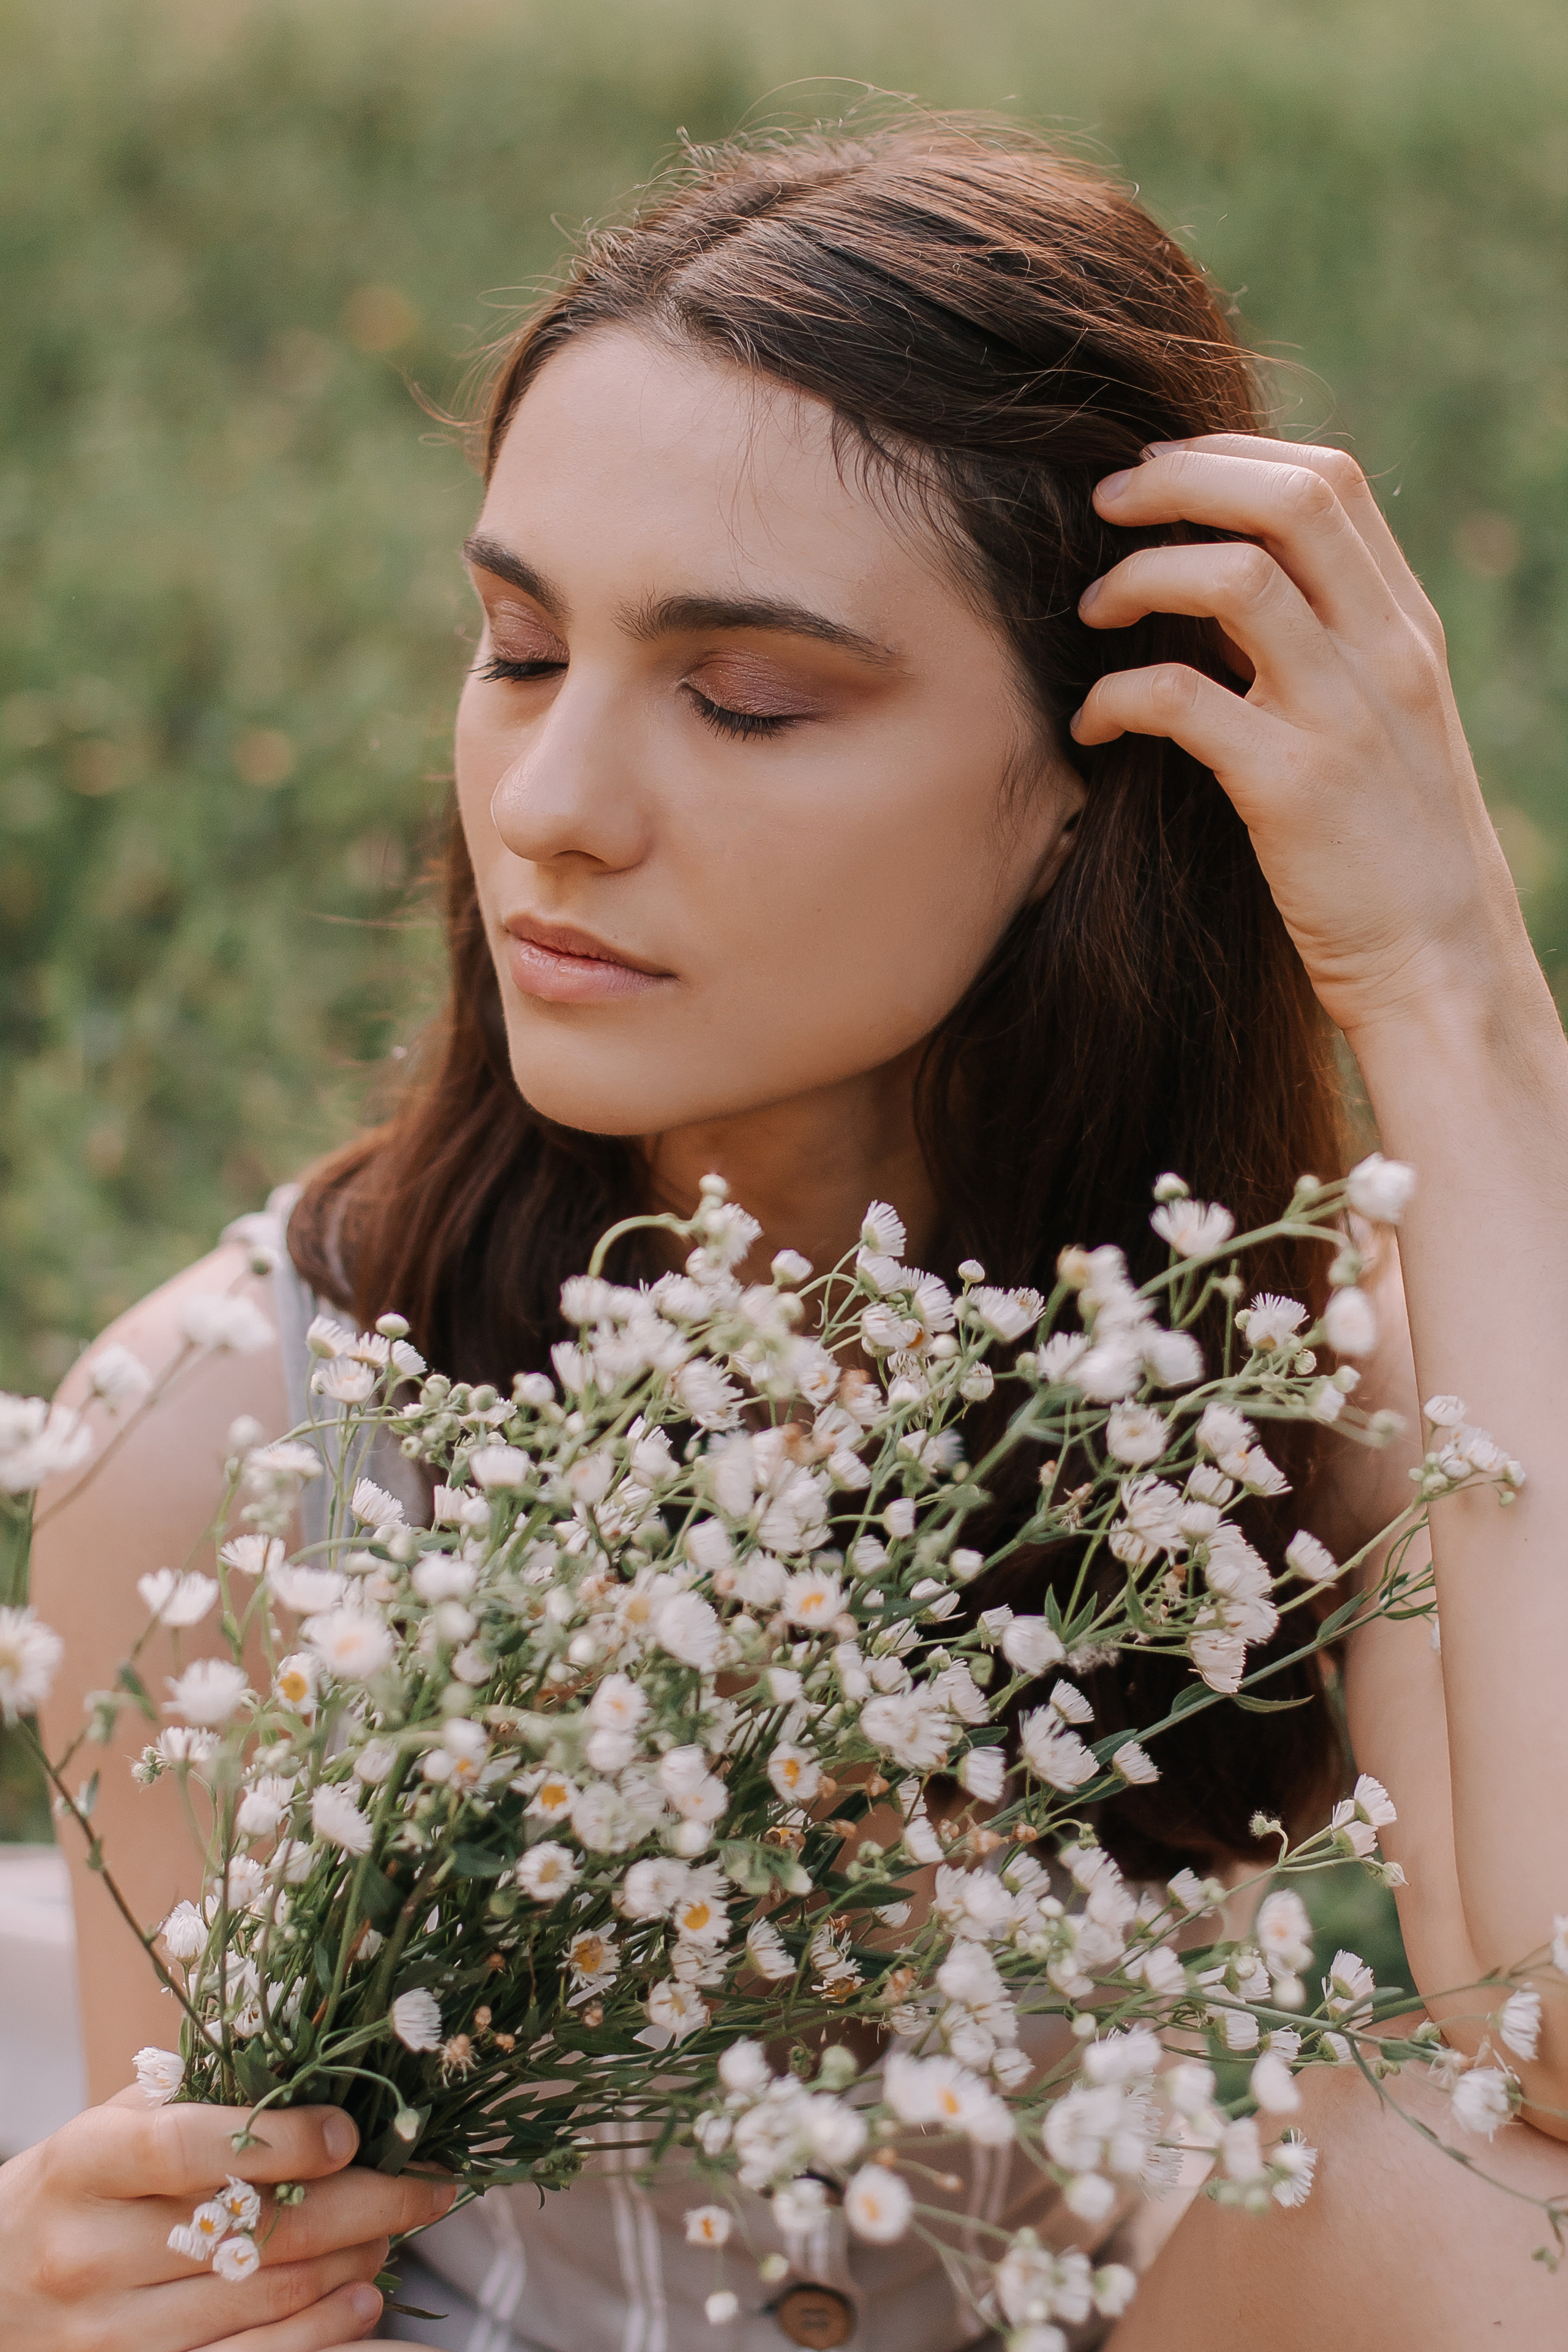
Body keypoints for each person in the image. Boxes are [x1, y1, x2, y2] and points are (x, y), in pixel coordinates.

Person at [12, 115, 1568, 2351]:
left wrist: (1448, 985)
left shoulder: (1289, 1412)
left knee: (1471, 2202)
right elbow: (213, 2259)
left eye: (746, 698)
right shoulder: (243, 1445)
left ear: (1089, 787)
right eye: (523, 652)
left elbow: (1557, 2049)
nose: (553, 812)